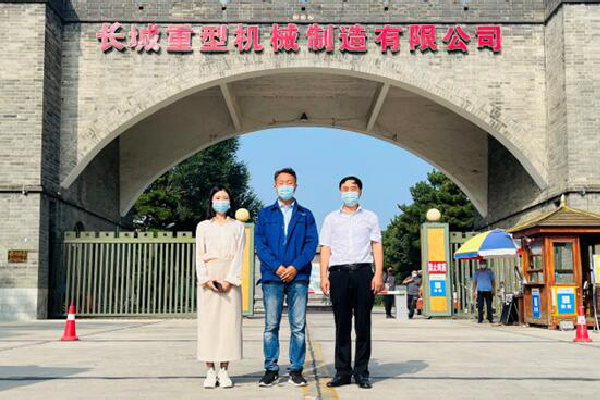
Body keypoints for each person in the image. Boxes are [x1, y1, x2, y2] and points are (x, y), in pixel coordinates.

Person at [255, 168, 318, 387]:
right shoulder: (265, 214)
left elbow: (310, 245)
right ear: (275, 186)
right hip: (272, 277)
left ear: (296, 185)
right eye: (281, 182)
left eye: (289, 182)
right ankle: (271, 369)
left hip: (298, 277)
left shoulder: (305, 215)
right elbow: (261, 245)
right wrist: (278, 267)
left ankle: (296, 369)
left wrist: (294, 267)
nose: (285, 186)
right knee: (271, 326)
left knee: (298, 326)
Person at [319, 176, 383, 390]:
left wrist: (377, 274)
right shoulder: (331, 218)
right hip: (339, 274)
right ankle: (343, 372)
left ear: (360, 191)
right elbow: (325, 247)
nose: (349, 192)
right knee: (342, 325)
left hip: (363, 272)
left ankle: (362, 372)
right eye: (345, 189)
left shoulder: (370, 217)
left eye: (353, 188)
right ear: (340, 192)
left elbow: (376, 246)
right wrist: (323, 276)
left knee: (363, 325)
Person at [195, 185, 246, 389]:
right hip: (209, 276)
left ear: (230, 202)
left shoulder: (237, 226)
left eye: (225, 198)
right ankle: (210, 370)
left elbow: (239, 254)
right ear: (211, 201)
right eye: (218, 197)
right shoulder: (203, 226)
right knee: (208, 325)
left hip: (229, 277)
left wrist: (230, 280)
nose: (221, 201)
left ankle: (224, 370)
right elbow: (199, 254)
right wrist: (206, 279)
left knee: (228, 325)